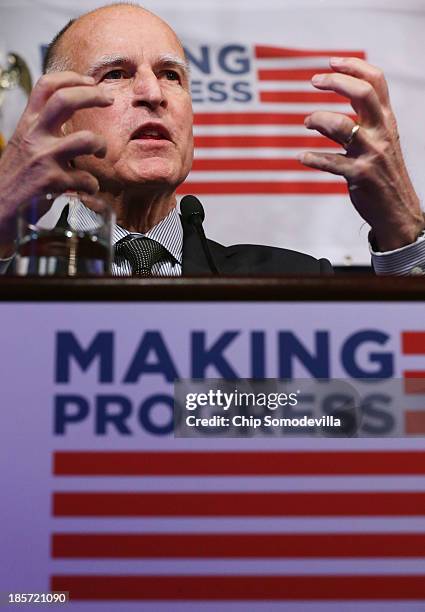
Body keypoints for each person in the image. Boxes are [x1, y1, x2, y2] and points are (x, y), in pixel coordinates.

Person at [0, 2, 423, 275]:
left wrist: (403, 233)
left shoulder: (296, 284)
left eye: (171, 75)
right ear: (60, 120)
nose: (153, 94)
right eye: (116, 74)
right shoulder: (13, 271)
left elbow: (398, 398)